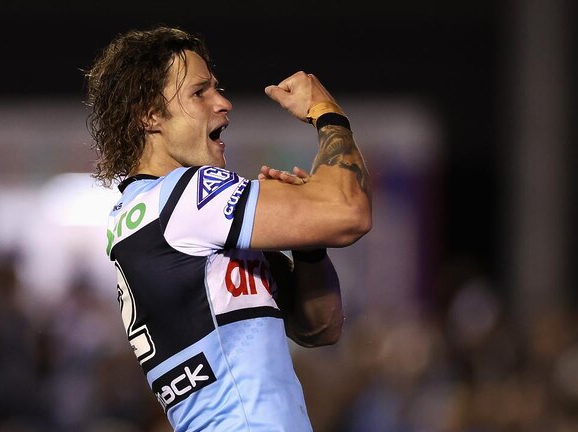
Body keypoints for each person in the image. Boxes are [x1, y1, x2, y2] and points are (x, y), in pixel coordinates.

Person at [85, 25, 371, 431]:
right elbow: (350, 212)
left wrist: (307, 245)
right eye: (199, 92)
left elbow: (319, 327)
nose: (223, 103)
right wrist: (326, 112)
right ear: (149, 115)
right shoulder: (187, 195)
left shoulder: (140, 214)